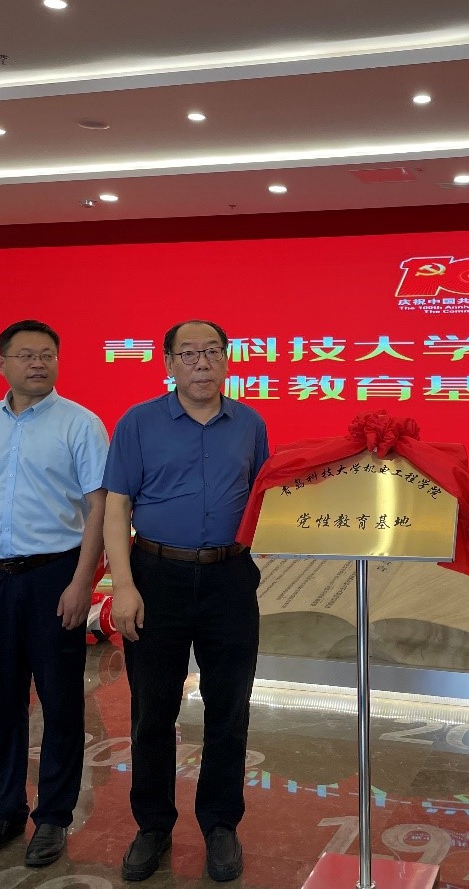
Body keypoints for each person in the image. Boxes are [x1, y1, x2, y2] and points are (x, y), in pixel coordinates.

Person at [103, 319, 269, 883]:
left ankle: (221, 825)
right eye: (189, 353)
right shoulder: (138, 422)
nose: (202, 361)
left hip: (229, 579)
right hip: (156, 575)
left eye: (212, 351)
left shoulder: (249, 424)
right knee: (153, 710)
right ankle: (152, 826)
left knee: (230, 707)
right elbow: (117, 505)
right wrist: (124, 586)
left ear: (227, 358)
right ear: (169, 362)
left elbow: (263, 497)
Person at [0, 319, 109, 867]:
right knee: (1, 701)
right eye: (25, 355)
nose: (38, 363)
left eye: (47, 354)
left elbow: (98, 508)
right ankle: (4, 811)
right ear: (2, 364)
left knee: (61, 703)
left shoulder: (81, 424)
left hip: (53, 576)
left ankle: (54, 818)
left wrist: (82, 582)